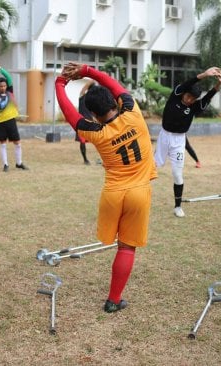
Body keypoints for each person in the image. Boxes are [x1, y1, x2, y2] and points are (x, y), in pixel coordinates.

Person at [55, 62, 157, 313]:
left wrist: (60, 83)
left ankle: (114, 297)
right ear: (115, 103)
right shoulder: (133, 113)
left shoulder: (96, 132)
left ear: (94, 115)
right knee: (127, 247)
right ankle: (113, 300)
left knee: (116, 244)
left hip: (112, 194)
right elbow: (114, 84)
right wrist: (87, 71)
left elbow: (70, 113)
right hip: (139, 193)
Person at [154, 67, 221, 217]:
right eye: (188, 96)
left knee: (177, 174)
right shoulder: (175, 95)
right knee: (153, 167)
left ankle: (177, 207)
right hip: (164, 136)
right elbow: (188, 83)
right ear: (184, 93)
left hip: (179, 140)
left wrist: (217, 86)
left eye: (193, 98)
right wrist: (204, 75)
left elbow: (207, 98)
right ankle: (140, 198)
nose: (189, 100)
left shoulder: (193, 107)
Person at [0, 59, 27, 172]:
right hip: (1, 123)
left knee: (17, 143)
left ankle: (19, 163)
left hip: (11, 121)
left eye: (4, 86)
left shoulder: (10, 92)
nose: (3, 88)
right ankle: (5, 165)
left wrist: (0, 69)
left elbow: (9, 77)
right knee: (3, 144)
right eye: (1, 86)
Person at [77, 79, 96, 165]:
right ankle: (85, 160)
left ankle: (85, 160)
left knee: (83, 141)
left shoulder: (83, 97)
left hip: (82, 122)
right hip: (88, 122)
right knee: (99, 140)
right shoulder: (90, 99)